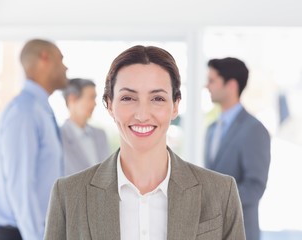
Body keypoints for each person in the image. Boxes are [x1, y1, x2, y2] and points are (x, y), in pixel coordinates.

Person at [44, 45, 246, 240]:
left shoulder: (221, 192)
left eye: (157, 98)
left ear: (175, 106)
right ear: (110, 105)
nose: (142, 114)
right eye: (128, 98)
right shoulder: (68, 196)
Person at [0, 39, 68, 240]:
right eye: (61, 59)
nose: (66, 67)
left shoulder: (40, 109)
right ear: (44, 58)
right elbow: (21, 186)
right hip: (21, 234)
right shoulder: (25, 111)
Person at [204, 57, 271, 240]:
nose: (206, 86)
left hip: (240, 231)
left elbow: (255, 186)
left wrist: (215, 202)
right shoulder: (211, 129)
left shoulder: (254, 130)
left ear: (231, 85)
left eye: (212, 81)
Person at [61, 78, 110, 176]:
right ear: (72, 99)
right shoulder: (58, 137)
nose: (95, 104)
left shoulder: (101, 134)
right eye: (91, 98)